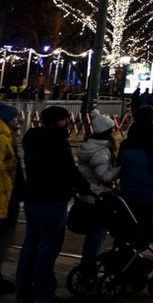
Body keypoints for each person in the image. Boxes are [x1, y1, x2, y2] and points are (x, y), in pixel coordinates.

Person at [15, 105, 89, 303]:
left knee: (30, 243)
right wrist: (84, 187)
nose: (68, 123)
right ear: (58, 121)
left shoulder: (31, 137)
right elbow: (68, 169)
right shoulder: (58, 141)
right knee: (48, 247)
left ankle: (22, 287)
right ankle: (43, 293)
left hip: (33, 197)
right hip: (53, 199)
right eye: (65, 119)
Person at [76, 112, 121, 276]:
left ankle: (86, 265)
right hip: (98, 197)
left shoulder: (89, 145)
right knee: (97, 235)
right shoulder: (101, 151)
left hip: (88, 196)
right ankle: (89, 269)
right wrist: (120, 170)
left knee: (92, 235)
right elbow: (104, 176)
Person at [118, 105, 153, 229]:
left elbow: (119, 165)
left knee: (128, 226)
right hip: (149, 193)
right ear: (152, 120)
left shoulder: (126, 143)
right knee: (144, 227)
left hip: (128, 191)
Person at [0, 104, 25, 296]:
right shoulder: (2, 138)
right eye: (16, 118)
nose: (19, 121)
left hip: (7, 198)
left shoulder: (7, 136)